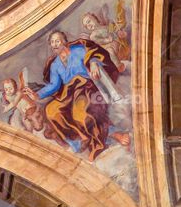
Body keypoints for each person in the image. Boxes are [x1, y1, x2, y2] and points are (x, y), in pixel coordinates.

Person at [36, 30, 131, 160]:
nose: (55, 44)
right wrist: (37, 95)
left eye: (57, 41)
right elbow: (54, 85)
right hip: (68, 94)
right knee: (51, 110)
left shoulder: (78, 50)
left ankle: (113, 133)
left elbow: (93, 54)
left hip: (87, 86)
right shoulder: (55, 64)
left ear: (64, 41)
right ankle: (80, 139)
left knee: (80, 113)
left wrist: (93, 63)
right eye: (52, 42)